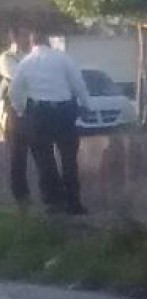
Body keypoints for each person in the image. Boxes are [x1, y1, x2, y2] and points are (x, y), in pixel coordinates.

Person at [9, 31, 91, 215]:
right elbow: (78, 84)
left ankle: (53, 202)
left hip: (39, 114)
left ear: (32, 43)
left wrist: (22, 110)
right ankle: (73, 202)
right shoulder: (63, 59)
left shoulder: (26, 62)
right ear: (48, 42)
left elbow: (14, 91)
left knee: (45, 159)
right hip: (64, 111)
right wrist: (86, 105)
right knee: (69, 158)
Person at [1, 27, 30, 209]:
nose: (28, 37)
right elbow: (16, 77)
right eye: (25, 34)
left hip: (32, 108)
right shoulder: (6, 58)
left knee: (41, 152)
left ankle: (46, 193)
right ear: (15, 36)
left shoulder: (31, 56)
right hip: (14, 109)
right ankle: (20, 194)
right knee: (17, 155)